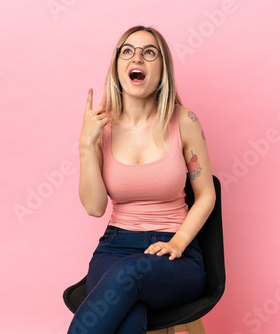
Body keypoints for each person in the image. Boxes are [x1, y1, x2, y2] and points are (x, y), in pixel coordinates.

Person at [67, 25, 216, 334]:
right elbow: (95, 207)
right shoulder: (101, 127)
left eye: (150, 52)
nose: (138, 57)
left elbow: (206, 194)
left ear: (162, 70)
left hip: (176, 253)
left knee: (129, 275)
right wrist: (85, 144)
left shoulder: (184, 121)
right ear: (118, 68)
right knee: (129, 315)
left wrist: (179, 242)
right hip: (115, 247)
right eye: (127, 51)